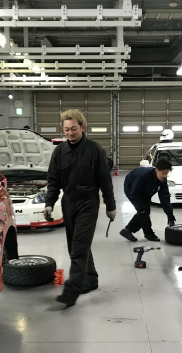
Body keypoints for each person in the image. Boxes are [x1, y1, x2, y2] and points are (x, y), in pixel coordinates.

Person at [44, 109, 116, 308]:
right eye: (66, 129)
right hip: (68, 203)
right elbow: (53, 180)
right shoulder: (59, 152)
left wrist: (110, 206)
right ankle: (90, 279)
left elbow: (105, 181)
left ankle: (71, 292)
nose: (70, 133)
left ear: (83, 127)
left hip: (88, 203)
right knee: (76, 246)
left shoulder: (95, 150)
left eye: (73, 129)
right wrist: (49, 203)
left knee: (78, 248)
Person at [120, 157, 175, 242]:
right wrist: (140, 207)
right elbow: (134, 192)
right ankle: (148, 233)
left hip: (145, 192)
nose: (164, 176)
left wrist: (169, 213)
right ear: (156, 170)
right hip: (131, 189)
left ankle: (128, 230)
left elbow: (165, 197)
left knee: (144, 212)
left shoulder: (162, 180)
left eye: (166, 173)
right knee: (143, 211)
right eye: (163, 173)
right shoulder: (143, 175)